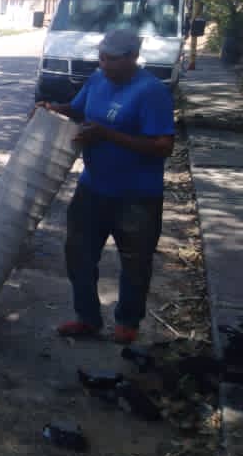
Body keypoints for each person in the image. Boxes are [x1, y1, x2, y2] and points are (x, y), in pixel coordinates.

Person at [37, 28, 174, 345]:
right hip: (92, 188)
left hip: (137, 196)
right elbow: (77, 109)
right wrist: (51, 108)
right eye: (101, 57)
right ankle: (87, 318)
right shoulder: (98, 80)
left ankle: (128, 322)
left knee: (135, 262)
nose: (105, 64)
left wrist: (108, 135)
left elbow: (163, 145)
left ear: (133, 57)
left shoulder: (151, 92)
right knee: (79, 256)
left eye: (112, 59)